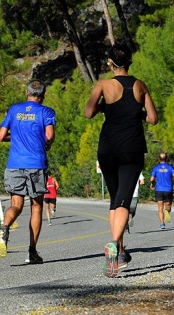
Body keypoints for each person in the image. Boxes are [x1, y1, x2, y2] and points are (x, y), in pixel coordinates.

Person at [84, 43, 158, 277]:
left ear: (110, 62)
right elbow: (154, 119)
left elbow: (88, 112)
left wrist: (104, 107)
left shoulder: (103, 85)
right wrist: (136, 113)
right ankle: (115, 244)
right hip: (131, 149)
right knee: (124, 200)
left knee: (115, 201)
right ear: (129, 62)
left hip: (107, 149)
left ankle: (120, 251)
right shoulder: (140, 85)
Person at [0, 79, 55, 265]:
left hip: (14, 164)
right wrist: (45, 144)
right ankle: (32, 252)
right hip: (36, 164)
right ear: (43, 96)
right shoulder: (46, 111)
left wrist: (16, 138)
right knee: (36, 207)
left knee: (16, 204)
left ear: (26, 93)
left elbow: (1, 136)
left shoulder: (14, 110)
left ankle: (4, 227)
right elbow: (49, 136)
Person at [149, 153, 174, 230]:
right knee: (168, 206)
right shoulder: (170, 167)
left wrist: (152, 184)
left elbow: (152, 179)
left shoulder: (156, 168)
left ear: (159, 159)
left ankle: (162, 224)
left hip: (159, 189)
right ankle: (166, 211)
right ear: (167, 159)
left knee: (160, 208)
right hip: (168, 189)